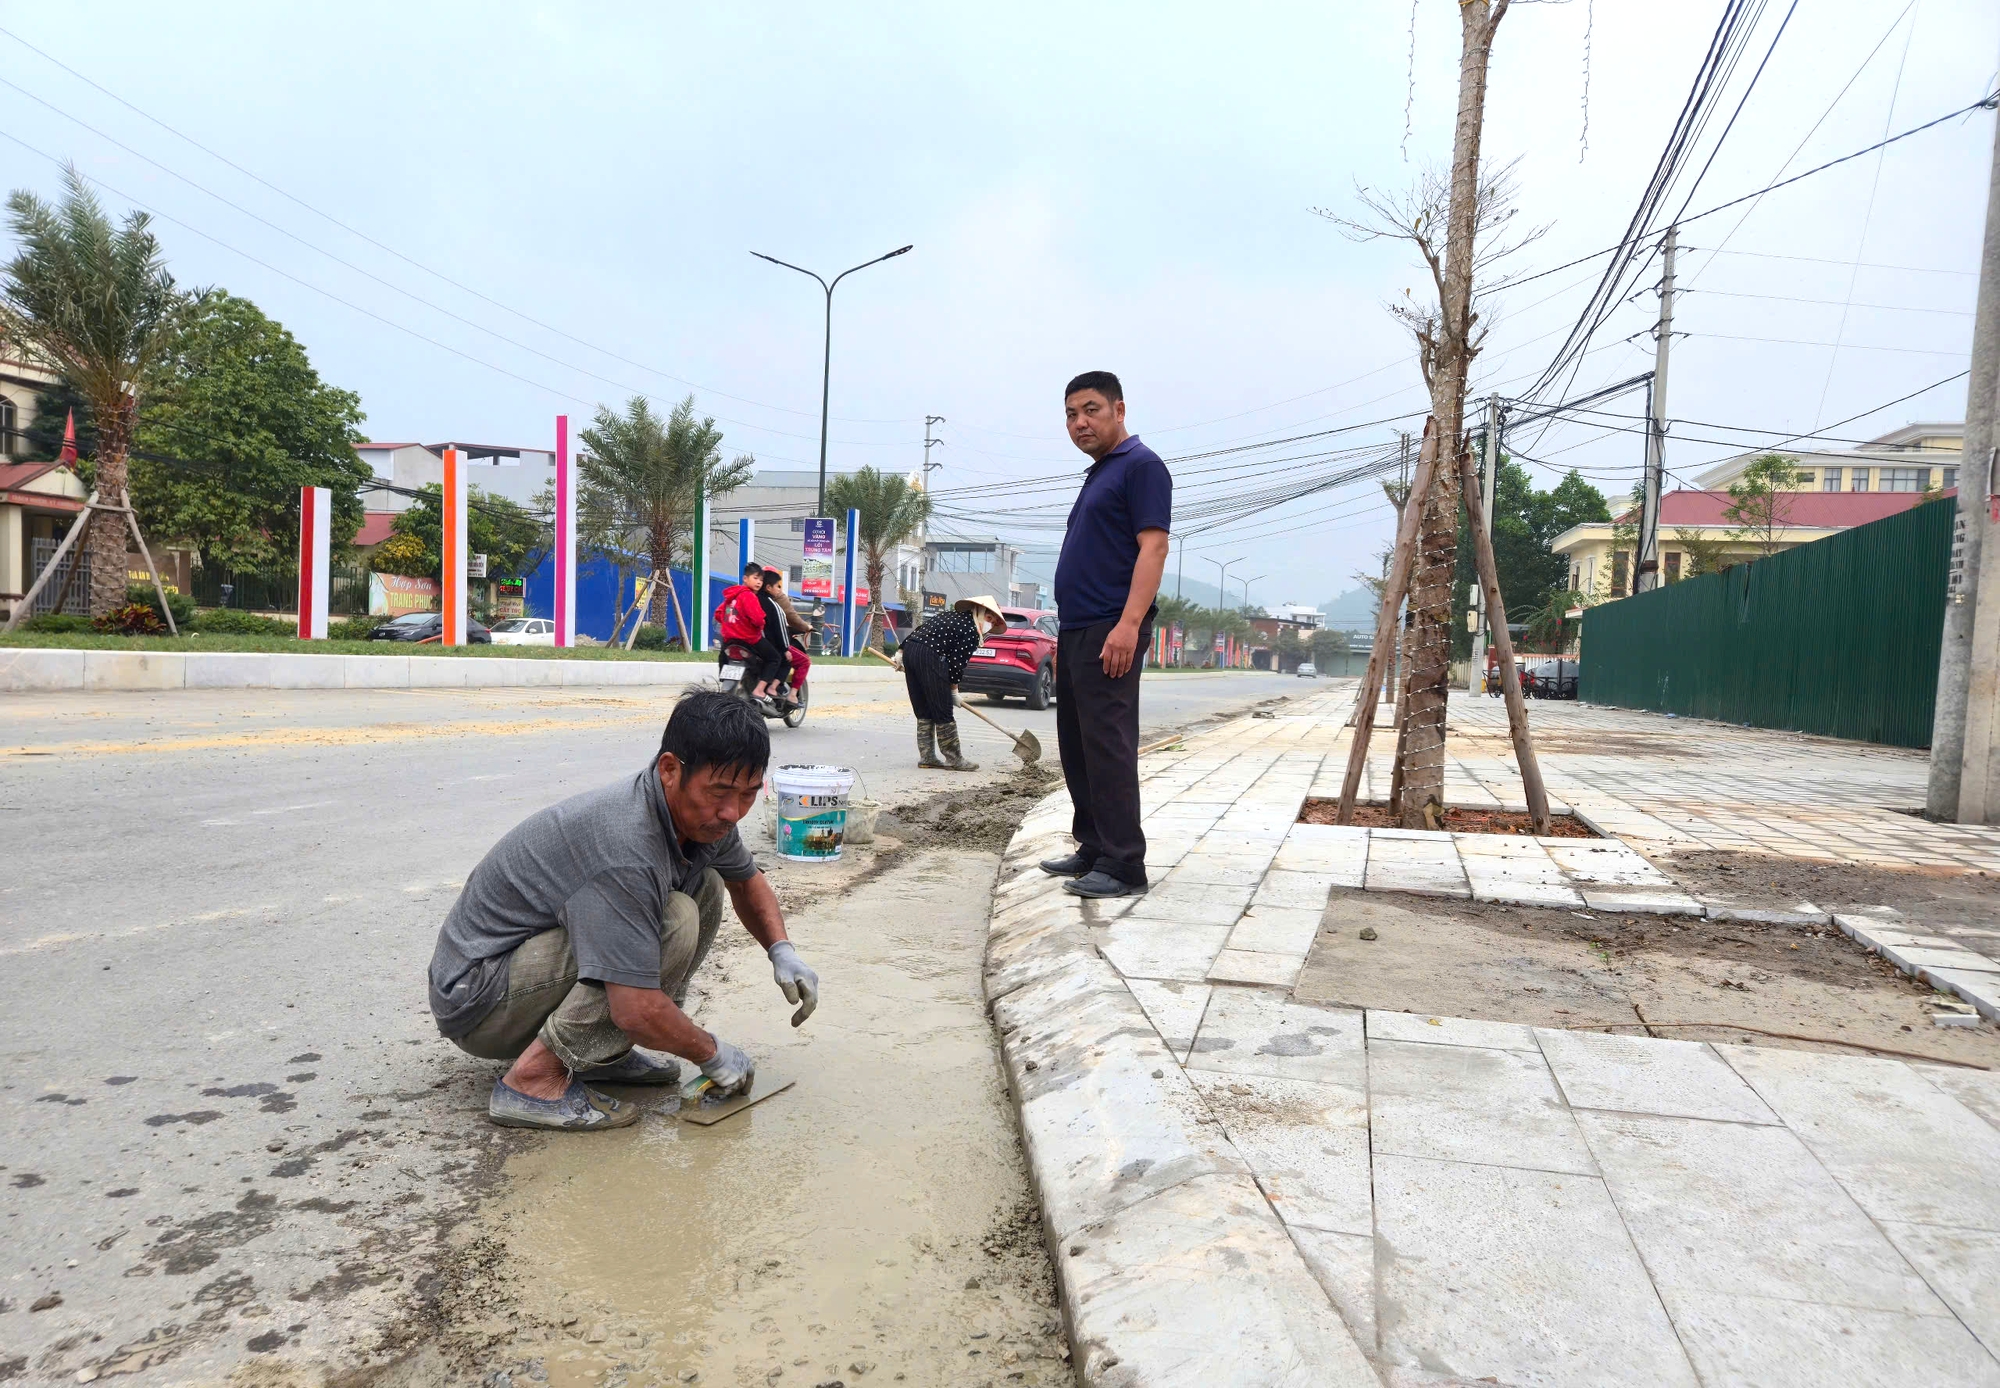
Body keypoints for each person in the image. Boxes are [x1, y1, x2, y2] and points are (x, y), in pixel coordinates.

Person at [427, 689, 821, 1131]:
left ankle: (598, 1052)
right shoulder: (625, 846)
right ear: (670, 769)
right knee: (674, 919)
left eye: (749, 794)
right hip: (480, 1000)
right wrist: (710, 1052)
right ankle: (532, 1079)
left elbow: (746, 881)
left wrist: (781, 949)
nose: (733, 812)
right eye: (721, 792)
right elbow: (634, 1008)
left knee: (706, 884)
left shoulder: (705, 818)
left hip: (519, 976)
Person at [1040, 371, 1171, 899]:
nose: (1080, 422)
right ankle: (1093, 845)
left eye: (1091, 410)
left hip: (1109, 626)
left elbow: (1154, 548)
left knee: (1108, 745)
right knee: (1077, 743)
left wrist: (1128, 625)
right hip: (1077, 628)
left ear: (1119, 409)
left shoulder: (1141, 467)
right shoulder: (1100, 473)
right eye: (1071, 414)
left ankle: (1123, 863)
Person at [897, 594, 1005, 771]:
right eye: (989, 619)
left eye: (992, 622)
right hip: (929, 655)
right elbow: (956, 665)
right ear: (979, 612)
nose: (990, 625)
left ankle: (927, 757)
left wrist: (901, 651)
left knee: (923, 708)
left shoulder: (948, 616)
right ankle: (953, 758)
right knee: (943, 708)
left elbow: (917, 632)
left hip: (912, 651)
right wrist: (953, 692)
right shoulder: (970, 629)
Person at [760, 566, 812, 697]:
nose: (779, 589)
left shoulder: (749, 596)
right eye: (777, 585)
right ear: (769, 586)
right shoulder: (775, 604)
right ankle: (786, 693)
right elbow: (788, 619)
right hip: (768, 641)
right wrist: (806, 627)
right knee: (793, 659)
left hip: (746, 641)